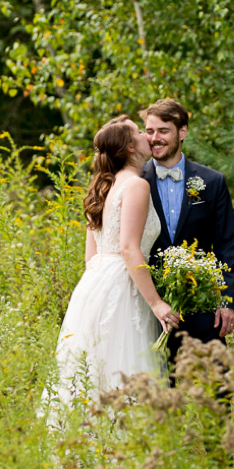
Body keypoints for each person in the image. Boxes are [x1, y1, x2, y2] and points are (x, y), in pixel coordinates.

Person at [50, 115, 180, 414]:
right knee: (124, 364)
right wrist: (157, 303)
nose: (148, 135)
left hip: (96, 285)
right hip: (125, 284)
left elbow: (90, 257)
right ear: (130, 148)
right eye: (139, 131)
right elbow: (128, 248)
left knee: (98, 366)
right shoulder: (136, 185)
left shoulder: (103, 186)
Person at [141, 98, 234, 379]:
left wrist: (227, 301)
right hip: (148, 305)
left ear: (182, 132)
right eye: (149, 131)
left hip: (201, 303)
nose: (154, 138)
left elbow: (227, 245)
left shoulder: (212, 182)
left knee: (218, 388)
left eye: (163, 131)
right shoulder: (135, 180)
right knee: (155, 390)